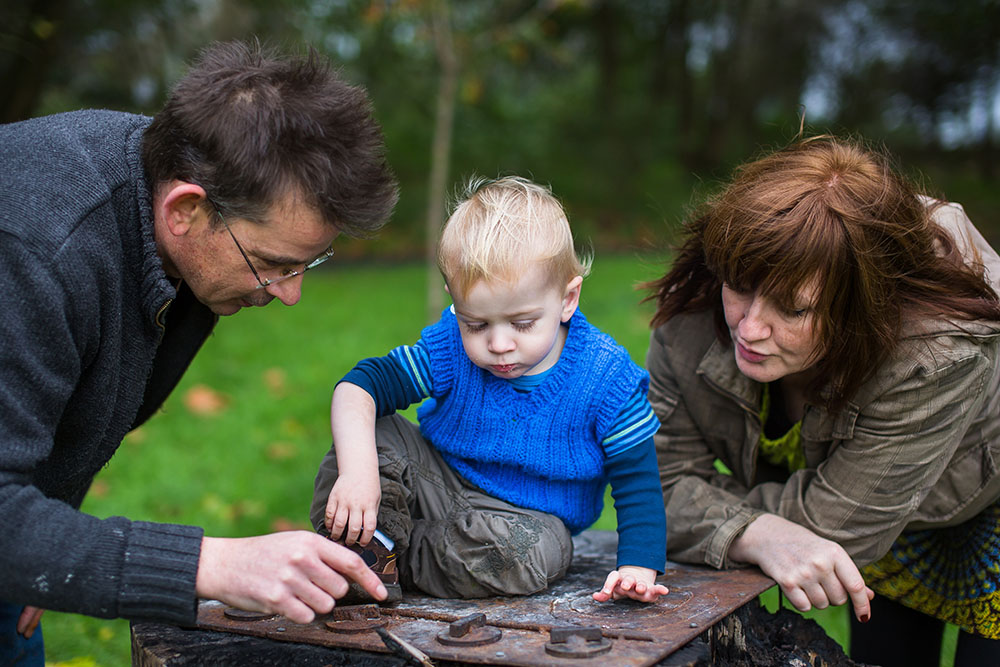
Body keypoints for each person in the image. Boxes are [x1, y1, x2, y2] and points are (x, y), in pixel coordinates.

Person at [0, 39, 399, 663]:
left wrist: (55, 546)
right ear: (185, 210)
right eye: (271, 264)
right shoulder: (35, 251)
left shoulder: (176, 223)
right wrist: (207, 564)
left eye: (306, 265)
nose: (289, 295)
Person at [644, 134, 1000, 666]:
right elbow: (651, 485)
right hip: (883, 520)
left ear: (862, 312)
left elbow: (838, 526)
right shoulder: (692, 316)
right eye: (740, 284)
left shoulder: (935, 353)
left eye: (793, 309)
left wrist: (717, 516)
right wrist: (754, 532)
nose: (750, 326)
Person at [310, 176, 668, 603]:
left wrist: (636, 569)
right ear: (455, 303)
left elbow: (638, 481)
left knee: (527, 556)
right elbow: (361, 386)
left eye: (522, 323)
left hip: (529, 521)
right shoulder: (450, 348)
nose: (498, 345)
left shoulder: (606, 379)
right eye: (476, 325)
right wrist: (358, 472)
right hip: (437, 482)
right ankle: (365, 543)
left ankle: (387, 560)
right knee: (370, 432)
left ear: (568, 299)